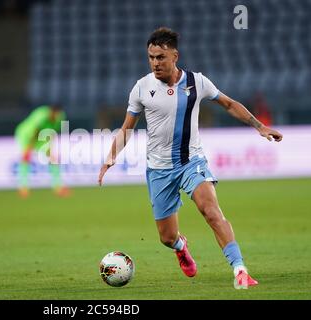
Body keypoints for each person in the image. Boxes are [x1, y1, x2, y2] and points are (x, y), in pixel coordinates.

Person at [98, 27, 283, 289]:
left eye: (160, 57)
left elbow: (229, 104)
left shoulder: (197, 82)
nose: (154, 63)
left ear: (175, 56)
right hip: (159, 169)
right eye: (150, 57)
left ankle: (240, 269)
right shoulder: (141, 87)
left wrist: (259, 126)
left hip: (191, 162)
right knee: (166, 236)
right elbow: (127, 128)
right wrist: (110, 157)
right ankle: (180, 246)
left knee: (210, 211)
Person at [14, 104, 70, 198]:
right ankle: (23, 187)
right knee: (26, 158)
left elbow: (52, 132)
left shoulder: (60, 116)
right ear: (52, 112)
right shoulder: (41, 116)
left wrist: (50, 148)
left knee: (53, 159)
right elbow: (35, 132)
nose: (57, 116)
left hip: (42, 136)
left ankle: (57, 187)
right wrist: (28, 148)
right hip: (27, 134)